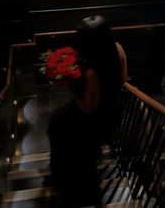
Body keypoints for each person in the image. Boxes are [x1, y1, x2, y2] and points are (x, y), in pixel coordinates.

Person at [46, 15, 127, 207]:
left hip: (93, 120)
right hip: (111, 111)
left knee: (56, 127)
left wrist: (69, 86)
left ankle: (70, 177)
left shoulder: (91, 72)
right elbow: (124, 82)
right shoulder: (118, 49)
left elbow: (87, 108)